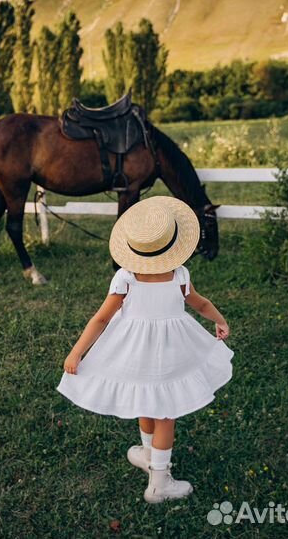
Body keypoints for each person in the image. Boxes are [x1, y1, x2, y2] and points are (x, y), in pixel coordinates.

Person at [56, 196, 234, 504]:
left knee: (147, 401)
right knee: (166, 412)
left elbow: (101, 318)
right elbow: (200, 303)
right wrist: (219, 320)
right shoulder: (179, 274)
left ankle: (152, 459)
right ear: (173, 243)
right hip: (171, 351)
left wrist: (77, 351)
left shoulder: (126, 276)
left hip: (135, 351)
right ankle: (158, 481)